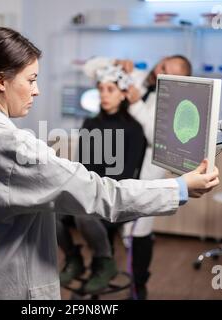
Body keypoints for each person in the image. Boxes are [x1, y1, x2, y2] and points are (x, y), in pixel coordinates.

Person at [0, 27, 220, 300]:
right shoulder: (14, 148)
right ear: (1, 81)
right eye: (31, 79)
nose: (37, 90)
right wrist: (180, 188)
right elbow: (104, 196)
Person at [83, 55, 193, 299]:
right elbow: (92, 70)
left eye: (168, 72)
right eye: (162, 64)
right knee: (103, 221)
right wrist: (114, 62)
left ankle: (138, 285)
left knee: (138, 233)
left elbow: (159, 137)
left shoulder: (170, 103)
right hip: (117, 165)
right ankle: (102, 268)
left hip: (144, 174)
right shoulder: (137, 77)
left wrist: (135, 104)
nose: (159, 71)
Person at [57, 63, 147, 295]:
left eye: (110, 89)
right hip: (87, 190)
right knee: (48, 210)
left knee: (83, 215)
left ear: (124, 93)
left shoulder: (134, 129)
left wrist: (92, 193)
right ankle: (73, 257)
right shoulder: (90, 123)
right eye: (101, 89)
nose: (104, 95)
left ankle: (104, 262)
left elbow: (126, 175)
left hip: (115, 196)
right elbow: (81, 166)